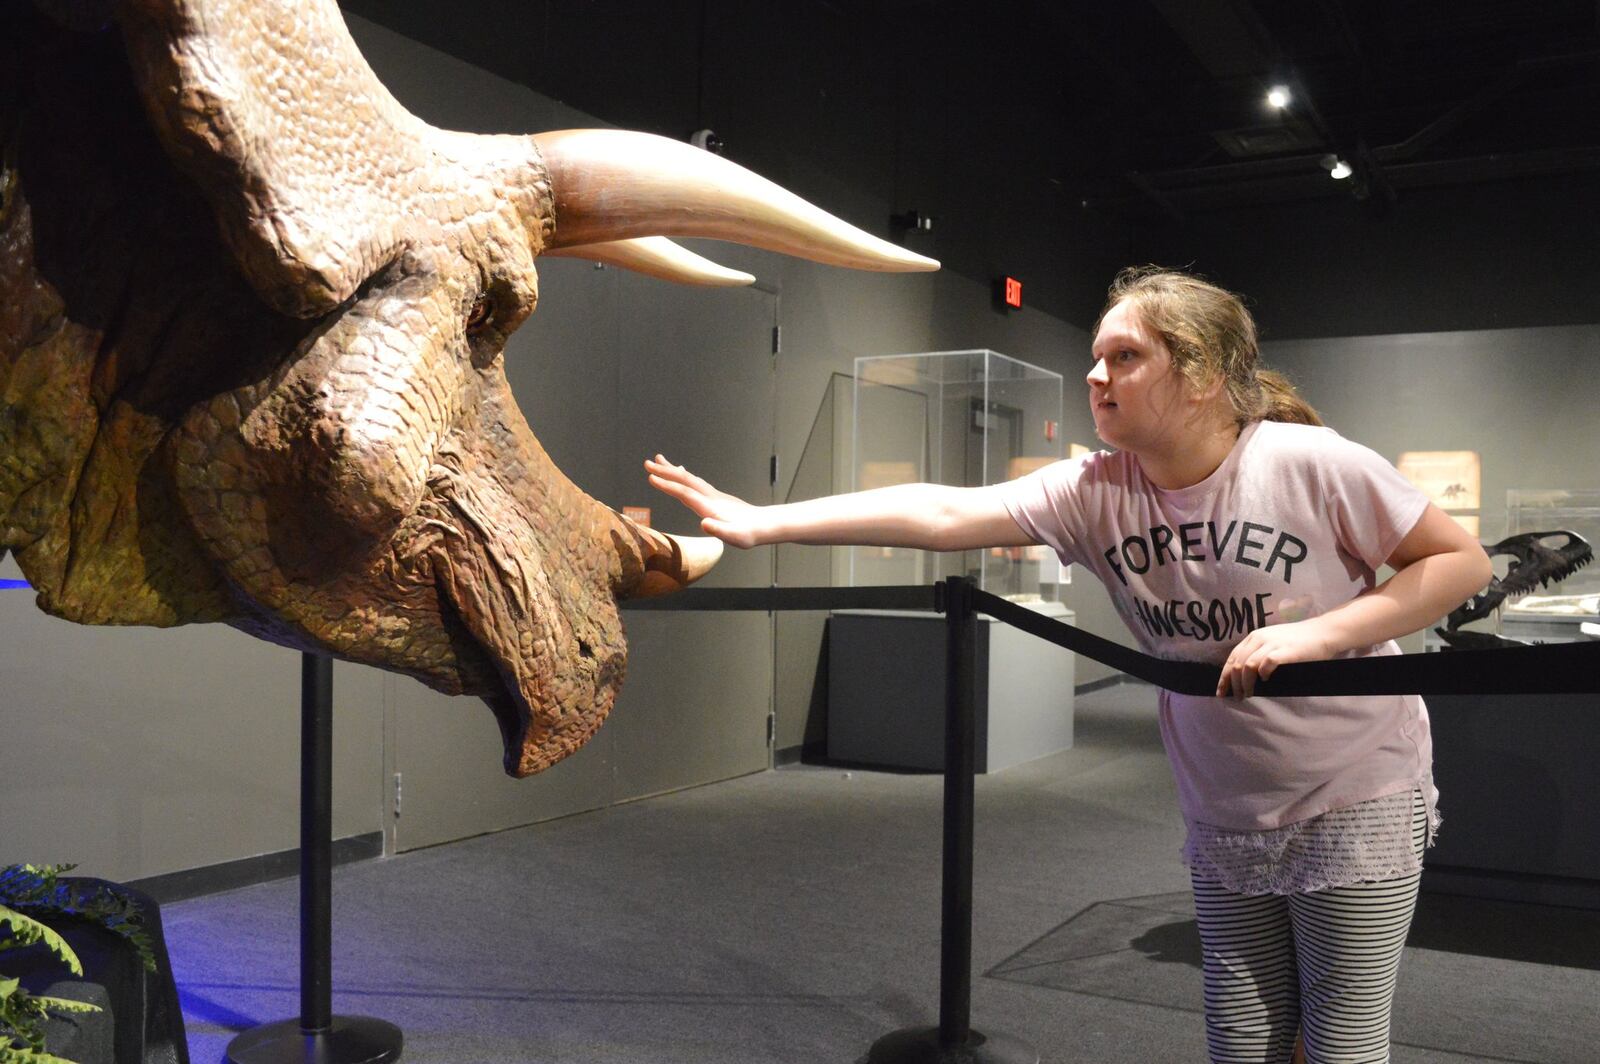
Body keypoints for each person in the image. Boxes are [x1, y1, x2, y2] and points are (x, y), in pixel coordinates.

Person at [646, 266, 1491, 1064]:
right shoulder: (1096, 488)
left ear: (1199, 374)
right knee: (1243, 1035)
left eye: (1126, 357)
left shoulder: (1309, 463)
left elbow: (1457, 562)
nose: (1097, 375)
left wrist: (1320, 635)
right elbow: (941, 509)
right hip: (1227, 799)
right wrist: (764, 523)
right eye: (1097, 357)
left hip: (1356, 790)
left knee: (1340, 1037)